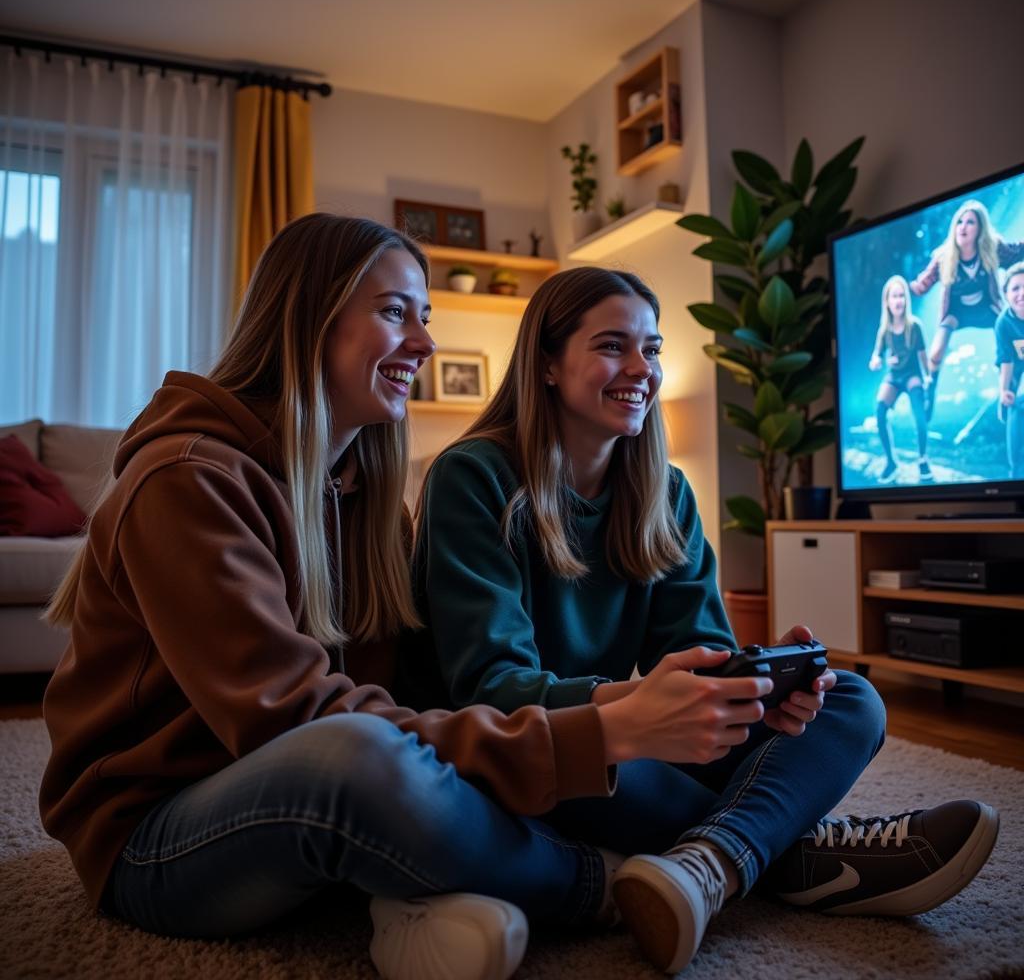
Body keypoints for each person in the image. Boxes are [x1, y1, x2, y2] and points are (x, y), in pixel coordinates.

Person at [38, 216, 784, 980]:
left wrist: (741, 698)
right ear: (310, 315)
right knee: (361, 756)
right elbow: (294, 725)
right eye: (397, 311)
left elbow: (416, 696)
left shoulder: (362, 496)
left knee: (843, 702)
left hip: (319, 810)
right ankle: (616, 880)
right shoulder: (186, 479)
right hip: (157, 839)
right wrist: (597, 732)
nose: (425, 343)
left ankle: (712, 852)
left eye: (423, 316)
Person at [403, 266, 1000, 975]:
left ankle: (708, 863)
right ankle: (793, 854)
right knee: (620, 766)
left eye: (651, 350)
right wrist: (637, 707)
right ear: (548, 367)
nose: (641, 369)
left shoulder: (664, 490)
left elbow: (700, 650)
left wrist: (755, 683)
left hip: (627, 729)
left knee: (852, 700)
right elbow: (490, 687)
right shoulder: (473, 478)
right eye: (612, 346)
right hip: (526, 750)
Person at [910, 198, 1024, 419]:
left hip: (987, 307)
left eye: (970, 222)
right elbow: (927, 279)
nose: (963, 227)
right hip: (955, 313)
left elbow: (1017, 251)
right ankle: (929, 393)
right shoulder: (945, 256)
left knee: (1009, 341)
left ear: (980, 228)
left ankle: (1008, 391)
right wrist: (915, 286)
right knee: (934, 355)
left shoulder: (992, 248)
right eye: (960, 221)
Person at [868, 274, 932, 482]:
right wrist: (877, 361)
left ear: (906, 300)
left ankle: (922, 458)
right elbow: (876, 355)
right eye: (894, 296)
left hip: (913, 375)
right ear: (887, 301)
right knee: (879, 410)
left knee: (919, 414)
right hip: (894, 376)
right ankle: (890, 461)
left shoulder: (915, 326)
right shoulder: (884, 330)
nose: (898, 300)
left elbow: (923, 356)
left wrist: (928, 377)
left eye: (901, 296)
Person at [995, 261, 1024, 477]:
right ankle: (1015, 475)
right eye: (1015, 288)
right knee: (1013, 405)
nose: (1022, 293)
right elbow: (1006, 360)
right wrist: (1003, 391)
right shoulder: (1003, 322)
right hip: (1019, 376)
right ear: (1006, 294)